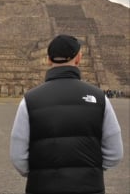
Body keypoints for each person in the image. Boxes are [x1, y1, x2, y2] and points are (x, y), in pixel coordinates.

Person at [10, 34, 123, 194]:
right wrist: (90, 170)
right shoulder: (99, 98)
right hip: (90, 187)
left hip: (42, 187)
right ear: (79, 58)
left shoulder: (29, 100)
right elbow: (115, 152)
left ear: (48, 59)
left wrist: (40, 173)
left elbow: (18, 156)